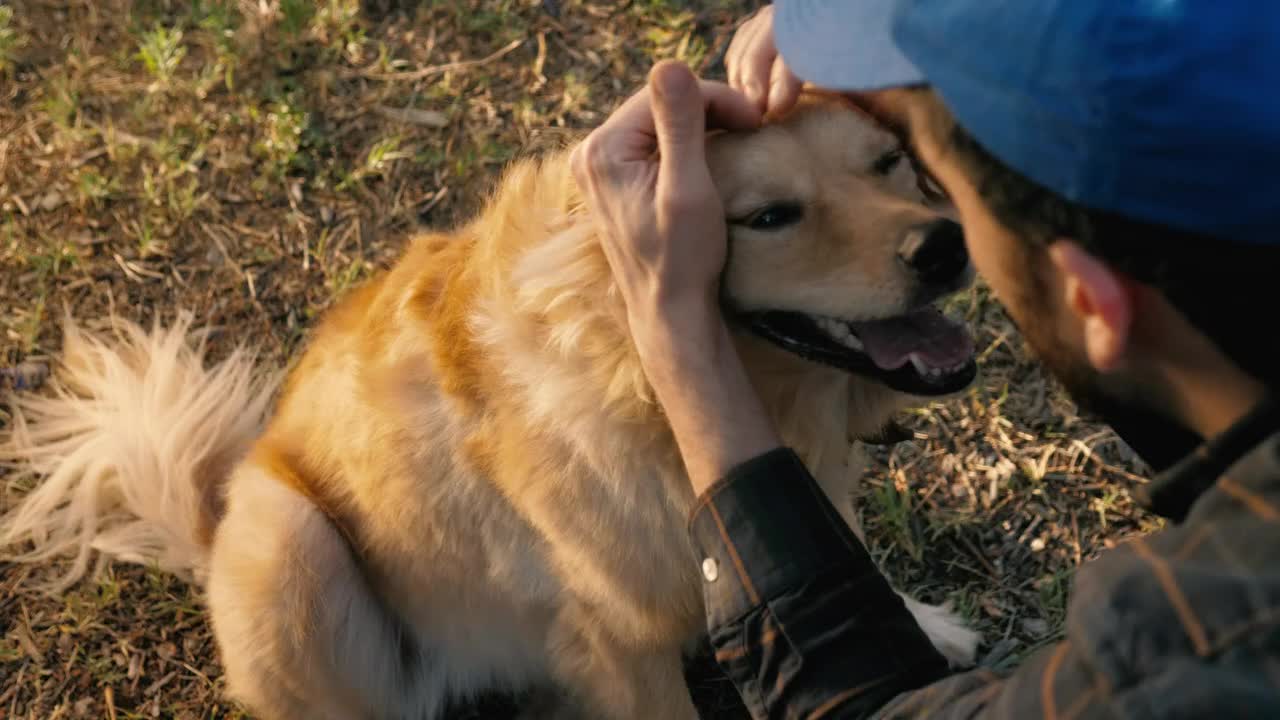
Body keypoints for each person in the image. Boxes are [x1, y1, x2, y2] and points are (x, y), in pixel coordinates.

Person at [570, 0, 1280, 717]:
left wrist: (678, 335)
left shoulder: (1194, 659)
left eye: (916, 168)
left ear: (1095, 301)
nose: (916, 224)